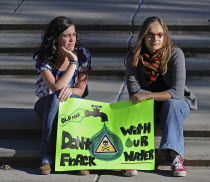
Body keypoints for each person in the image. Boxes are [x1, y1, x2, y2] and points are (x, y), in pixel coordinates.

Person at [124, 16, 197, 177]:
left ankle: (174, 155)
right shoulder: (133, 57)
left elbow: (176, 92)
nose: (155, 39)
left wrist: (148, 95)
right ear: (143, 36)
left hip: (176, 105)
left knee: (171, 104)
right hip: (147, 106)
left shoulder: (175, 54)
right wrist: (145, 98)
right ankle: (131, 156)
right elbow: (134, 92)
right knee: (131, 106)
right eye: (150, 35)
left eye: (159, 35)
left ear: (165, 36)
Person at [33, 16, 92, 175]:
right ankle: (47, 157)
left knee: (65, 101)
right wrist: (73, 63)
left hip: (73, 102)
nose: (72, 39)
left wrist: (70, 91)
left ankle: (76, 156)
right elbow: (55, 87)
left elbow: (80, 89)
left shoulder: (83, 54)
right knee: (55, 98)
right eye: (66, 35)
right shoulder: (43, 57)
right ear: (56, 38)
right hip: (45, 103)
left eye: (73, 34)